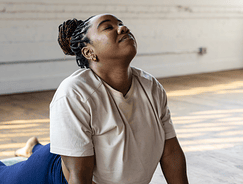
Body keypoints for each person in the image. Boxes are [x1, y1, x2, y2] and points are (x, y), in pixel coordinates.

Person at [0, 13, 189, 184]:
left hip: (76, 148)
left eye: (121, 24)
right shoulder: (74, 92)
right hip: (51, 174)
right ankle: (34, 150)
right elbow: (79, 177)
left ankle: (33, 147)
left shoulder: (151, 87)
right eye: (108, 27)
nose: (123, 28)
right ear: (89, 53)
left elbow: (171, 152)